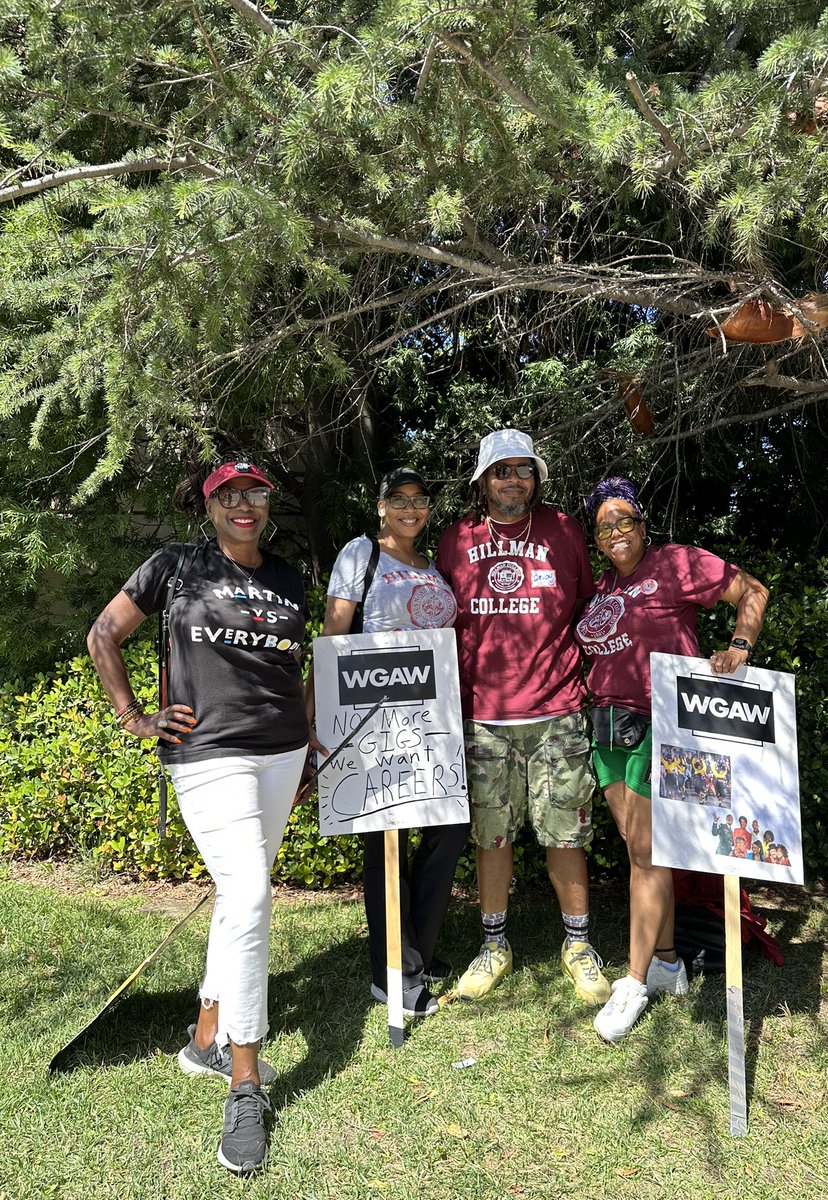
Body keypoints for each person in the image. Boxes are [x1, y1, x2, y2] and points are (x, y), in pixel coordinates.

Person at [87, 457, 309, 1175]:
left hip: (282, 757)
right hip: (208, 754)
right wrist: (132, 716)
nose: (245, 506)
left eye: (256, 494)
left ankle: (206, 1038)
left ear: (269, 503)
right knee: (249, 894)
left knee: (234, 899)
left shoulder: (287, 577)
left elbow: (294, 670)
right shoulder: (175, 566)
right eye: (230, 496)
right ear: (210, 505)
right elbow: (103, 634)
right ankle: (245, 1083)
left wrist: (309, 742)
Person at [575, 475, 769, 1042]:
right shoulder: (606, 585)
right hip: (610, 726)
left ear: (642, 522)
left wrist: (739, 646)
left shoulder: (676, 562)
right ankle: (666, 964)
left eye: (624, 520)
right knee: (642, 851)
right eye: (604, 526)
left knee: (648, 855)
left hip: (666, 723)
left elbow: (753, 590)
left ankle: (632, 983)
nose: (615, 532)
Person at [436, 429, 609, 1007]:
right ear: (482, 481)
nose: (514, 480)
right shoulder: (455, 540)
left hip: (556, 708)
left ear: (536, 478)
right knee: (492, 835)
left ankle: (580, 948)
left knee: (566, 831)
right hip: (483, 714)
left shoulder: (564, 531)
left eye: (523, 469)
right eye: (501, 470)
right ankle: (493, 947)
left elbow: (588, 609)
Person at [308, 468, 467, 1018]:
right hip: (371, 714)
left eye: (419, 501)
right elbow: (333, 637)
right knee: (387, 842)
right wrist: (315, 717)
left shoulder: (435, 566)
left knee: (450, 826)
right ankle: (392, 971)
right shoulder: (360, 553)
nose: (409, 509)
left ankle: (415, 950)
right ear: (380, 507)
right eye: (398, 500)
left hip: (432, 717)